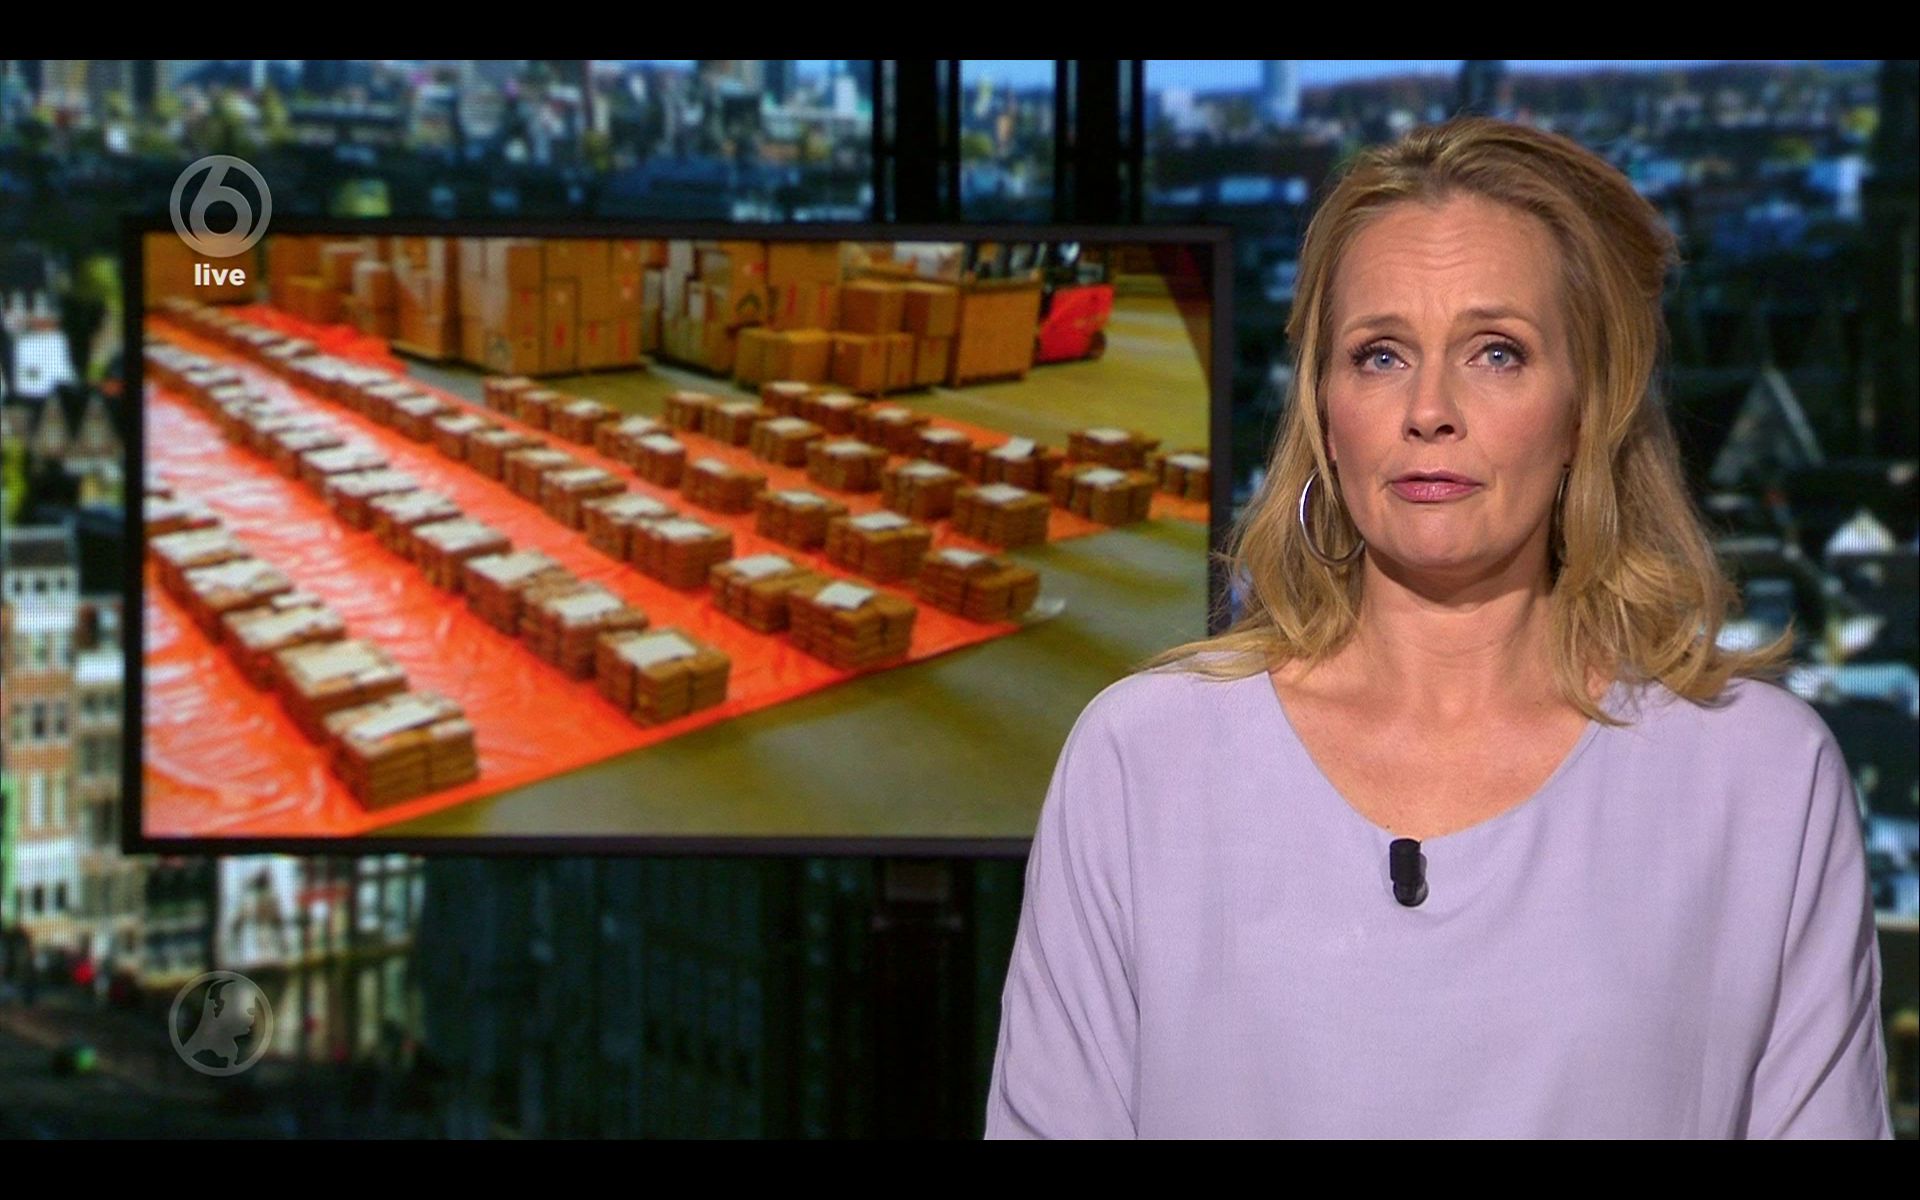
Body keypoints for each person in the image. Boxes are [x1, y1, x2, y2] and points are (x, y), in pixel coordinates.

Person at [984, 116, 1893, 1139]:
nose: (1429, 409)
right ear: (1325, 412)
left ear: (1586, 408)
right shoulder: (1142, 763)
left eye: (1496, 352)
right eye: (1379, 355)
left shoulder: (1760, 780)